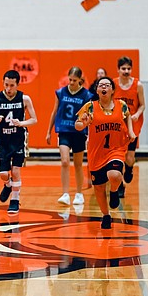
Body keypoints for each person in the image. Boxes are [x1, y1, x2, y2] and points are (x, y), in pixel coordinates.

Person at [75, 76, 135, 229]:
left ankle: (114, 191)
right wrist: (84, 123)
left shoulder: (120, 105)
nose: (104, 87)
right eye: (101, 85)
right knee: (99, 187)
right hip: (97, 153)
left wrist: (131, 131)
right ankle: (106, 215)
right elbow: (77, 125)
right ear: (97, 90)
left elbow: (127, 116)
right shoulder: (90, 106)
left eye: (107, 85)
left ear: (112, 90)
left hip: (116, 149)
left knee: (114, 174)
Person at [0, 69, 38, 213]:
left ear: (17, 84)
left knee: (15, 171)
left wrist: (21, 123)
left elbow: (34, 119)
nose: (8, 89)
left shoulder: (24, 99)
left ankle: (15, 200)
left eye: (11, 85)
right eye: (6, 85)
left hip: (19, 139)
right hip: (3, 141)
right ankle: (8, 185)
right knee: (3, 173)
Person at [46, 67, 92, 208]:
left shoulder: (86, 95)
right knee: (65, 161)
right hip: (64, 131)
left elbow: (90, 117)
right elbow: (54, 112)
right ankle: (65, 194)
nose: (71, 82)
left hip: (78, 132)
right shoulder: (60, 92)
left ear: (80, 80)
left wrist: (90, 134)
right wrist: (48, 131)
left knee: (78, 164)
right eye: (70, 79)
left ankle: (79, 193)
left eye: (74, 80)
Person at [113, 57, 145, 197]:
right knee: (118, 155)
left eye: (128, 69)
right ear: (118, 70)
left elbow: (143, 104)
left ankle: (129, 169)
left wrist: (137, 114)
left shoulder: (138, 85)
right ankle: (120, 185)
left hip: (133, 123)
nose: (126, 71)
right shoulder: (113, 84)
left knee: (129, 157)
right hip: (118, 125)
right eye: (123, 69)